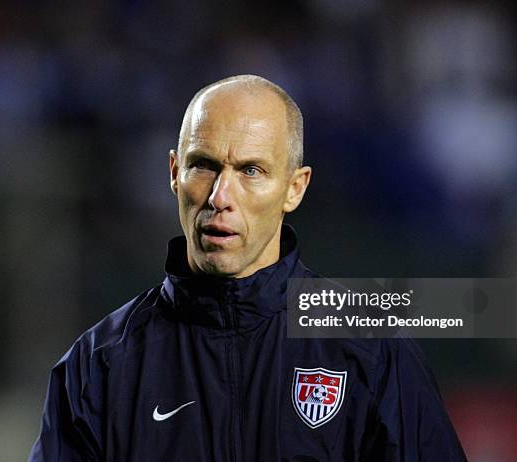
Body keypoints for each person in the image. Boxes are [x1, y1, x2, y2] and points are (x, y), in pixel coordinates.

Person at [28, 75, 467, 461]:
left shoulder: (371, 349)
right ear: (174, 173)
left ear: (295, 188)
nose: (220, 196)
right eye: (204, 165)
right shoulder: (99, 367)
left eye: (251, 170)